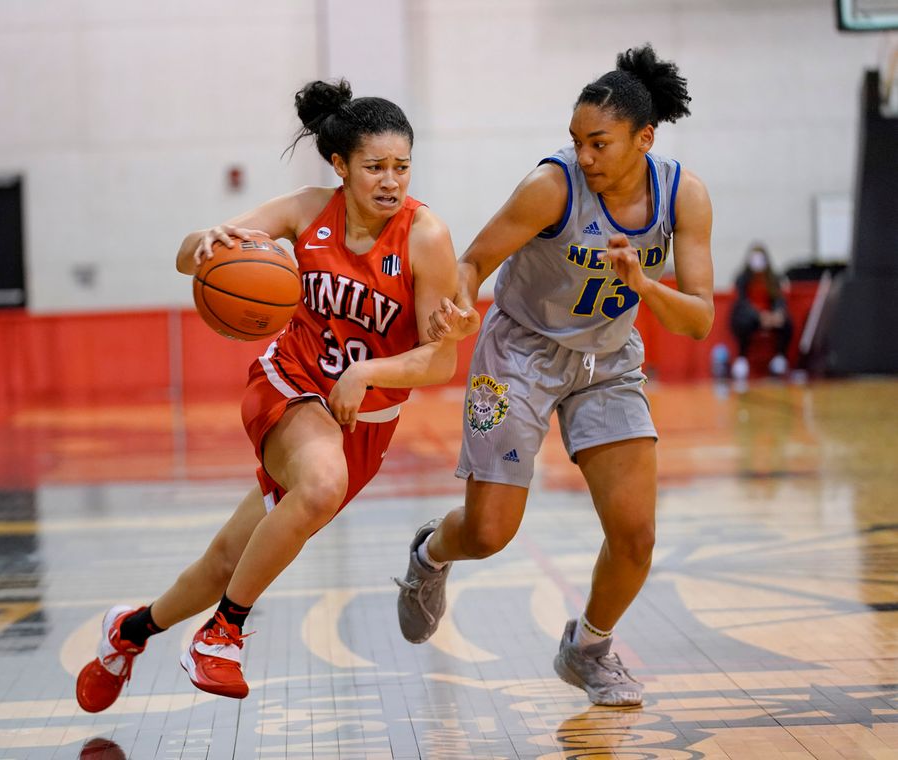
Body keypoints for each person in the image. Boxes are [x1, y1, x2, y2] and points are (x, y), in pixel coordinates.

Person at [75, 78, 471, 712]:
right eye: (375, 166)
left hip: (363, 423)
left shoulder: (426, 236)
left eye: (401, 166)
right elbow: (190, 256)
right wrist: (203, 245)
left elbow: (440, 360)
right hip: (289, 383)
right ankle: (223, 633)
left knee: (227, 558)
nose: (391, 180)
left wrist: (370, 374)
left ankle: (130, 631)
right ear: (340, 165)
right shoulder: (307, 210)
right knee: (318, 485)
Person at [394, 43, 714, 707]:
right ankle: (429, 555)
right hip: (516, 354)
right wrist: (456, 304)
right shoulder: (552, 185)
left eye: (599, 143)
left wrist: (644, 286)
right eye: (577, 140)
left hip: (608, 362)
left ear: (643, 138)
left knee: (636, 534)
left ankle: (588, 649)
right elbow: (475, 260)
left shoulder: (684, 195)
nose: (585, 155)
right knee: (488, 533)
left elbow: (699, 321)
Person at [728, 242, 792, 380]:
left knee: (787, 324)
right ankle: (742, 358)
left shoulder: (774, 279)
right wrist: (759, 316)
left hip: (771, 317)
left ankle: (780, 358)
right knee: (743, 324)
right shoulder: (742, 278)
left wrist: (778, 313)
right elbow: (741, 302)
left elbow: (779, 299)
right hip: (751, 317)